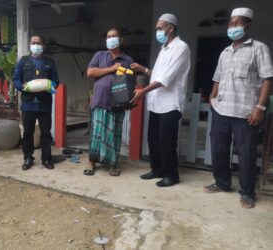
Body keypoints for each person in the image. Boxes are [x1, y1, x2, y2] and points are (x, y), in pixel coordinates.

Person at [204, 8, 273, 209]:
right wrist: (213, 97)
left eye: (237, 23)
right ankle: (222, 183)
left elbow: (267, 79)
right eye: (231, 23)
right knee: (219, 149)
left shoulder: (259, 48)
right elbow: (217, 77)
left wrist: (260, 107)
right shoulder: (225, 52)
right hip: (221, 110)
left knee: (247, 154)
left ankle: (247, 192)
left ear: (247, 26)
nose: (233, 27)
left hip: (246, 112)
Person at [131, 13, 191, 187]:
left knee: (167, 141)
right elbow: (158, 74)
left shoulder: (181, 48)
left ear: (170, 28)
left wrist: (142, 92)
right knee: (153, 139)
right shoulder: (164, 49)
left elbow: (166, 79)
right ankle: (157, 169)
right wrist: (144, 69)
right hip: (156, 103)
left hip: (170, 104)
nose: (157, 31)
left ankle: (172, 175)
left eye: (159, 28)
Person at [84, 28, 134, 176]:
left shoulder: (127, 60)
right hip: (100, 100)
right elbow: (90, 72)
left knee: (114, 135)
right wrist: (111, 68)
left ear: (121, 40)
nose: (111, 39)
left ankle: (113, 163)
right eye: (108, 36)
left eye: (114, 36)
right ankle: (91, 162)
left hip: (118, 103)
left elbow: (130, 81)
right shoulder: (99, 55)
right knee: (96, 134)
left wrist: (128, 101)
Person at [13, 35, 59, 170]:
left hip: (44, 104)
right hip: (28, 103)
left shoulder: (50, 62)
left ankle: (46, 159)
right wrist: (22, 87)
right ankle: (28, 157)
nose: (36, 45)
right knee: (28, 132)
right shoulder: (23, 61)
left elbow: (56, 82)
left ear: (43, 46)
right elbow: (16, 78)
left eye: (38, 43)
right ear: (30, 45)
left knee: (46, 133)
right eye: (33, 43)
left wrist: (48, 86)